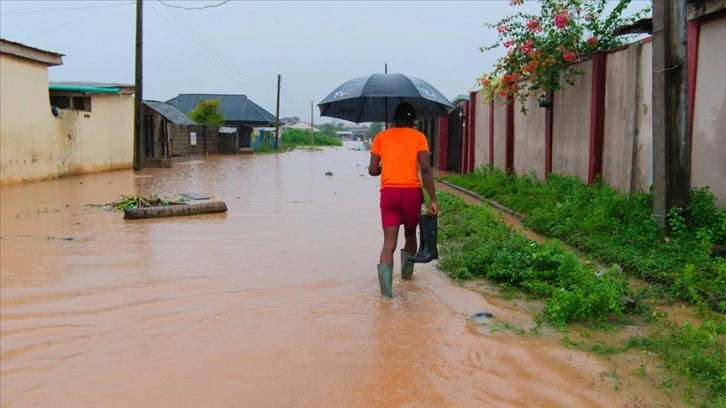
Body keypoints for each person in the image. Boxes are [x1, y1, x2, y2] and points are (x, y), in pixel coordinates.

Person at [368, 102, 438, 298]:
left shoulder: (381, 137)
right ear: (413, 120)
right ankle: (407, 280)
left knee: (388, 242)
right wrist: (433, 199)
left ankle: (386, 296)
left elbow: (373, 170)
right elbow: (425, 169)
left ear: (394, 119)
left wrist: (387, 166)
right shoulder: (419, 137)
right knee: (409, 236)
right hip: (411, 193)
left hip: (389, 193)